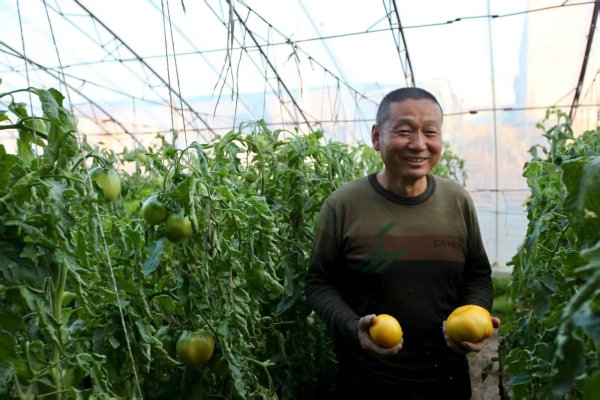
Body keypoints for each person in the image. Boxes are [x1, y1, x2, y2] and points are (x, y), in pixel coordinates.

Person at [305, 87, 500, 399]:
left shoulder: (457, 201)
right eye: (405, 131)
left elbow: (477, 275)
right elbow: (319, 283)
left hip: (446, 381)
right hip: (366, 382)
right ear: (377, 137)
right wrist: (354, 328)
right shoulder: (344, 205)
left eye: (430, 132)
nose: (419, 144)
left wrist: (477, 312)